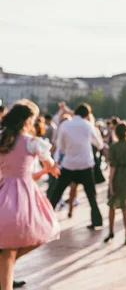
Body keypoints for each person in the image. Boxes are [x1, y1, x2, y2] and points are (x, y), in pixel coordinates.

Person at [0, 101, 61, 290]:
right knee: (46, 229)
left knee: (7, 251)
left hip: (3, 193)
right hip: (23, 196)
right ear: (27, 121)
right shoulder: (32, 142)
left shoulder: (2, 139)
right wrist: (49, 169)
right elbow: (49, 163)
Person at [49, 103, 105, 229]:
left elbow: (61, 147)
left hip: (69, 164)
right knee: (91, 196)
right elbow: (99, 144)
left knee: (56, 194)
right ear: (87, 115)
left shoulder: (64, 125)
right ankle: (96, 220)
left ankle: (46, 220)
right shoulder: (88, 125)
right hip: (85, 164)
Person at [104, 122, 126, 245]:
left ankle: (111, 231)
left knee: (112, 206)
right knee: (124, 206)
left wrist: (110, 183)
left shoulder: (114, 147)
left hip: (117, 176)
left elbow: (112, 167)